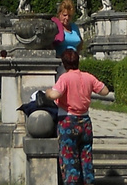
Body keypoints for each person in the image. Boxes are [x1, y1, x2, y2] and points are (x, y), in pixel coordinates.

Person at [47, 48, 111, 185]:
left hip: (68, 121)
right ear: (78, 62)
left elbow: (54, 95)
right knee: (86, 158)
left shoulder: (65, 78)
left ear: (64, 64)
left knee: (69, 159)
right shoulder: (88, 77)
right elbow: (105, 91)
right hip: (85, 122)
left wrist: (48, 92)